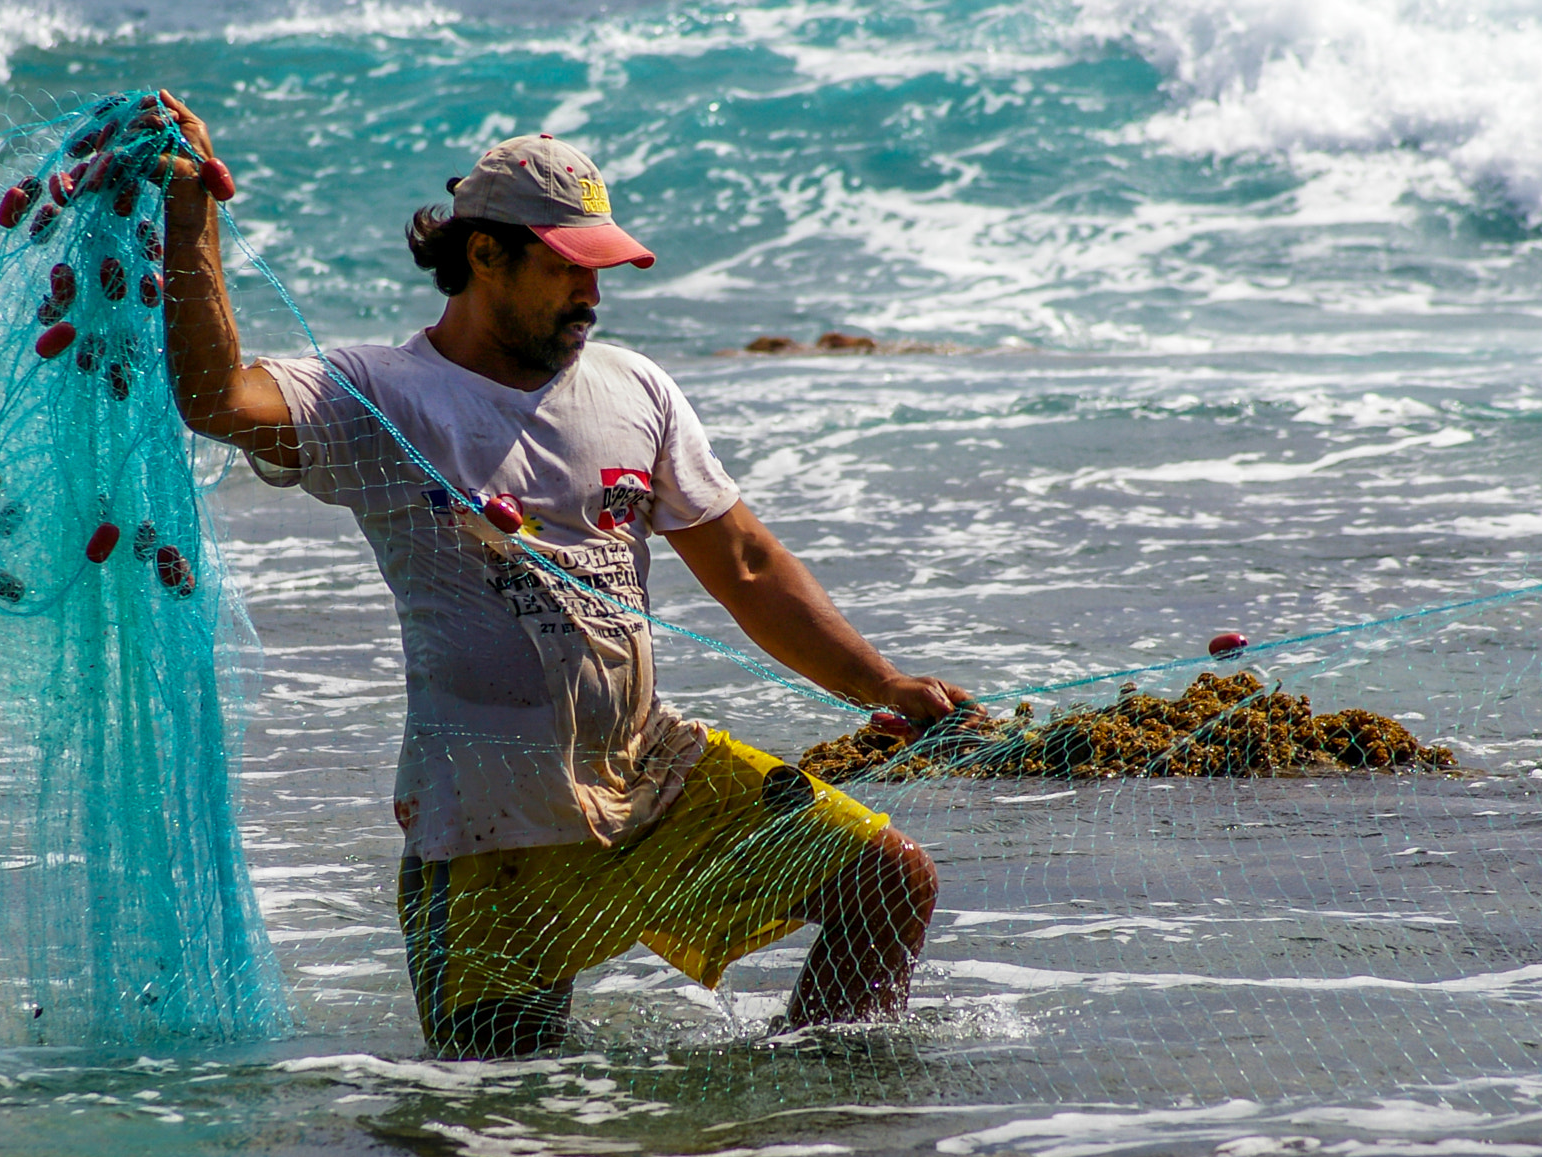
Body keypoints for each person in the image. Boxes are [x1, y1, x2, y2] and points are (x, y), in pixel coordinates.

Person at [148, 92, 973, 1058]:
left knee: (885, 881)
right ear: (484, 253)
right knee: (497, 1142)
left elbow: (746, 564)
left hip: (650, 783)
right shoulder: (376, 393)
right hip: (487, 830)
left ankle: (792, 1133)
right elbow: (214, 397)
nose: (592, 296)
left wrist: (879, 683)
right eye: (568, 268)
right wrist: (189, 212)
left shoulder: (637, 389)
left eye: (603, 272)